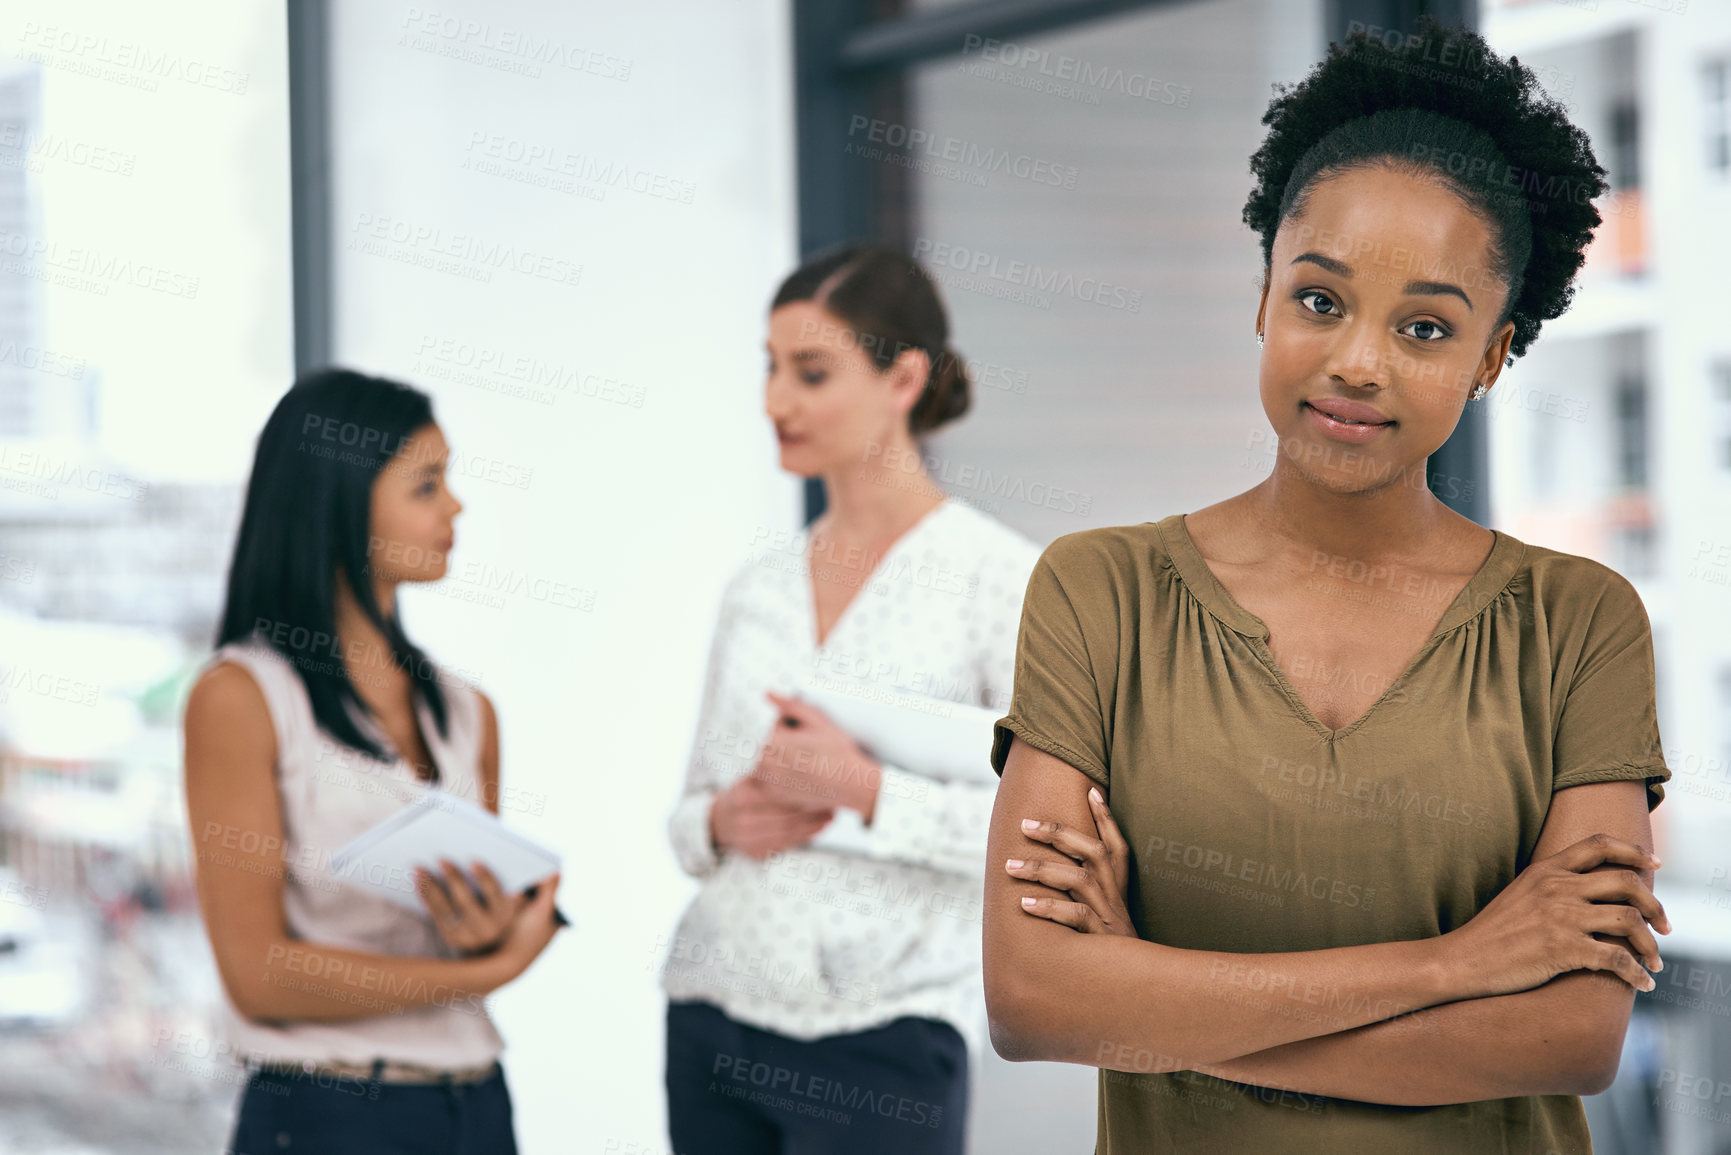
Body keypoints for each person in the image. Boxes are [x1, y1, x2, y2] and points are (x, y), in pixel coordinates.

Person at [982, 19, 1672, 1155]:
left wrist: (1139, 996)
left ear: (1492, 358)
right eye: (1319, 300)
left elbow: (1569, 1037)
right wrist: (1460, 964)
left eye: (1425, 327)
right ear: (1262, 297)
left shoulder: (1577, 623)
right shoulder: (1100, 592)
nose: (1359, 360)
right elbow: (1033, 1003)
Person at [658, 243, 1042, 1153]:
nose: (773, 400)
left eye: (810, 371)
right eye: (769, 367)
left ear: (903, 376)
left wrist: (864, 791)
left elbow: (1040, 840)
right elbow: (686, 817)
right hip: (711, 1017)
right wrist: (723, 820)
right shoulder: (757, 588)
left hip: (887, 1039)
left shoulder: (1001, 580)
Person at [183, 368, 563, 1155]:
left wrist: (491, 930)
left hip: (478, 1109)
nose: (455, 507)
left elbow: (477, 925)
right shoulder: (243, 696)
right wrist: (485, 975)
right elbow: (256, 976)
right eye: (426, 485)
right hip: (331, 1117)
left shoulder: (467, 711)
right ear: (339, 499)